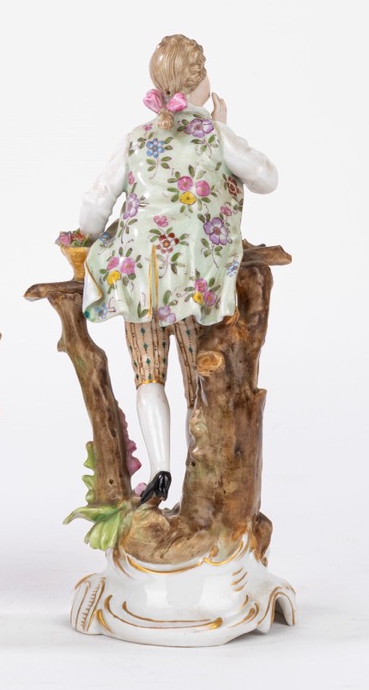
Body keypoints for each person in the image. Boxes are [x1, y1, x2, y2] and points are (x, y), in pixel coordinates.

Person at [78, 35, 277, 507]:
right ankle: (195, 479)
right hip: (191, 282)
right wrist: (222, 127)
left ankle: (160, 470)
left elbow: (95, 204)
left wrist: (86, 236)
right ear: (199, 81)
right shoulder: (214, 135)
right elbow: (267, 177)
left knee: (148, 374)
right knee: (197, 378)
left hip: (138, 277)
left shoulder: (136, 137)